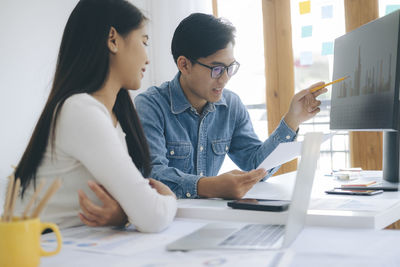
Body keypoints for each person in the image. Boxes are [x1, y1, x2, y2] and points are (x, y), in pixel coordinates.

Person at [80, 12, 327, 224]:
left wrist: (292, 120)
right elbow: (152, 174)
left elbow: (256, 166)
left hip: (211, 218)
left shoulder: (231, 105)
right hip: (167, 220)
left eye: (231, 68)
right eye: (217, 69)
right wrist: (210, 186)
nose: (225, 78)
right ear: (184, 65)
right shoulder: (150, 105)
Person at [14, 0, 177, 232]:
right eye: (144, 42)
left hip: (73, 246)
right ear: (113, 39)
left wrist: (124, 214)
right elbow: (152, 216)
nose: (147, 58)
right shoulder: (80, 111)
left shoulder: (111, 118)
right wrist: (169, 199)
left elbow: (134, 205)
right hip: (44, 250)